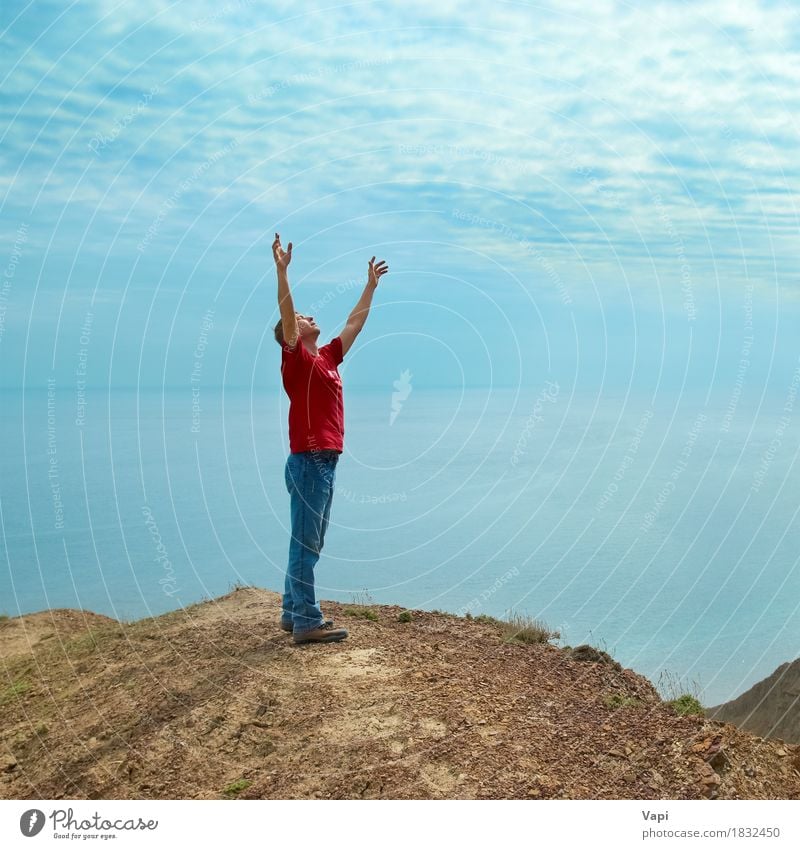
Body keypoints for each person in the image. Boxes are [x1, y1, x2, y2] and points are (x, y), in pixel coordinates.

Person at [273, 232, 389, 644]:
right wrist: (282, 272)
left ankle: (292, 611)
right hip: (309, 460)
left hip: (323, 461)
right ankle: (306, 621)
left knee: (308, 540)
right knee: (307, 543)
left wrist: (369, 286)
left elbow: (354, 323)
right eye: (303, 318)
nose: (308, 318)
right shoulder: (297, 359)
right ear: (292, 334)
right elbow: (286, 317)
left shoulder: (326, 358)